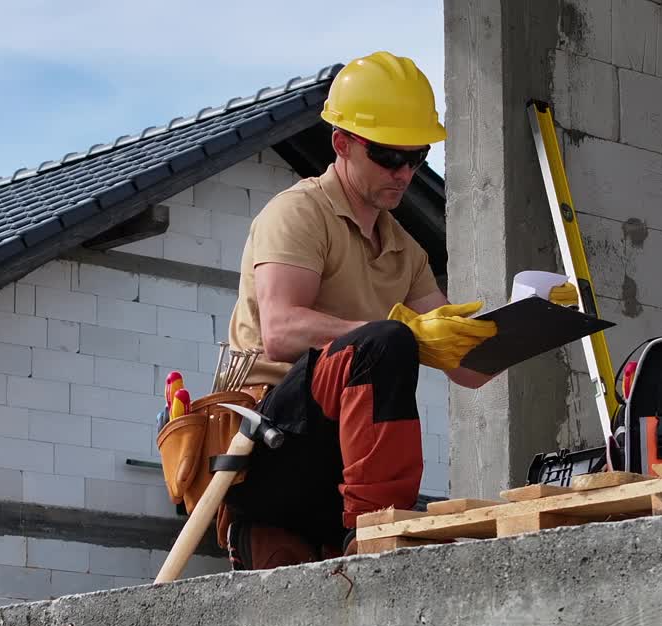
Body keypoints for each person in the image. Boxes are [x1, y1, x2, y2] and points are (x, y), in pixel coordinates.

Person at [218, 51, 573, 571]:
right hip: (272, 445)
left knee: (391, 342)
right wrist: (403, 331)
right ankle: (377, 530)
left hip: (337, 461)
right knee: (387, 343)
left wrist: (529, 322)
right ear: (342, 143)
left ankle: (367, 525)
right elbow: (280, 329)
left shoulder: (404, 249)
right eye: (388, 156)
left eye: (418, 156)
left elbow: (468, 369)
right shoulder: (299, 213)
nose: (405, 172)